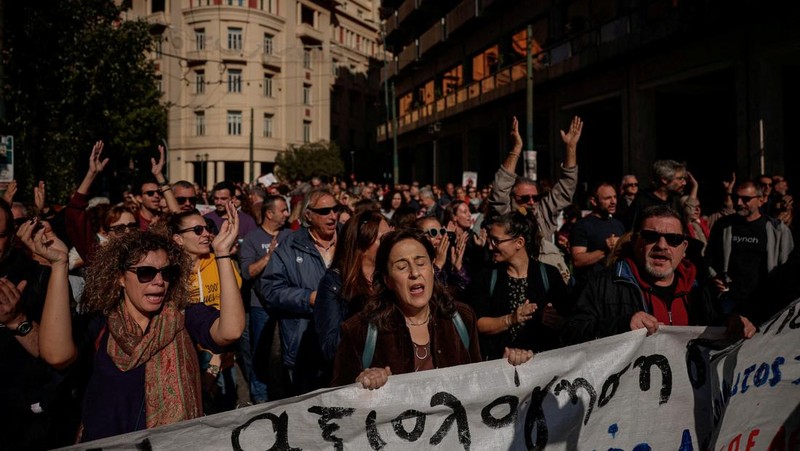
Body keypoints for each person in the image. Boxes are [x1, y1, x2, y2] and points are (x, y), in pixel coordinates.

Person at [21, 215, 244, 442]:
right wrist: (60, 264)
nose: (158, 281)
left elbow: (230, 331)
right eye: (145, 273)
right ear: (120, 278)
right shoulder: (100, 322)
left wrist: (223, 254)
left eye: (166, 273)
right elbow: (56, 355)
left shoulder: (183, 315)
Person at [331, 229, 533, 389]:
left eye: (421, 263)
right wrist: (361, 382)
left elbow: (477, 384)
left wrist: (509, 366)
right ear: (387, 280)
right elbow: (339, 406)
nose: (415, 273)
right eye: (402, 267)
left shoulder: (461, 318)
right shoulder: (360, 330)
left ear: (432, 268)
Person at [562, 205, 755, 345]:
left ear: (684, 248)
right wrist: (621, 325)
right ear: (636, 241)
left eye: (673, 239)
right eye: (651, 237)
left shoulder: (699, 289)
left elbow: (711, 329)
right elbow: (570, 334)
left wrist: (730, 324)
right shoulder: (601, 284)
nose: (662, 246)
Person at [260, 188, 341, 397]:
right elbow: (270, 289)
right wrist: (308, 298)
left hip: (344, 345)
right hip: (303, 347)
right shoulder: (290, 246)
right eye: (324, 211)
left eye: (335, 209)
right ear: (308, 215)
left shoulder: (349, 240)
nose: (332, 216)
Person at [487, 116, 582, 282]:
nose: (531, 202)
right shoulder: (506, 217)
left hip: (548, 284)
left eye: (535, 197)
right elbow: (500, 189)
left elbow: (566, 186)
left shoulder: (542, 213)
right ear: (513, 198)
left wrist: (571, 148)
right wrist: (516, 149)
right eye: (524, 199)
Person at [168, 206, 243, 413]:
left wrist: (214, 365)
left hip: (221, 357)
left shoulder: (221, 263)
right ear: (178, 239)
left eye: (207, 228)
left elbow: (229, 319)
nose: (207, 234)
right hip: (183, 364)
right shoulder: (166, 274)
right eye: (198, 230)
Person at [473, 210, 569, 358]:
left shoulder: (549, 275)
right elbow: (479, 324)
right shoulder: (486, 276)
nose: (491, 247)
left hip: (542, 368)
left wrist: (558, 322)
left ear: (519, 242)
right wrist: (511, 319)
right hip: (500, 366)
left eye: (496, 241)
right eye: (490, 240)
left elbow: (570, 319)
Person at [315, 210, 390, 378]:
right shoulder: (333, 283)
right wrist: (369, 310)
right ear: (361, 246)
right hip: (354, 380)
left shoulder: (389, 279)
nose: (392, 244)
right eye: (383, 239)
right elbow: (330, 348)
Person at [705, 180, 794, 315]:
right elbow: (709, 257)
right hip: (729, 300)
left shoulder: (778, 230)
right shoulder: (723, 226)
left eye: (746, 199)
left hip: (765, 302)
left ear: (761, 200)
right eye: (736, 198)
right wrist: (714, 276)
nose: (739, 203)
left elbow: (788, 267)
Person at [240, 195, 292, 403]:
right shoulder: (252, 239)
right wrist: (270, 256)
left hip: (287, 305)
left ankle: (286, 394)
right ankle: (260, 398)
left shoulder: (291, 235)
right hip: (260, 307)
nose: (287, 214)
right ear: (269, 214)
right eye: (283, 210)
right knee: (260, 354)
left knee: (286, 354)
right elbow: (247, 272)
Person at [570, 183, 625, 283]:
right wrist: (605, 250)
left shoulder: (619, 225)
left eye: (615, 197)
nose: (613, 202)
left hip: (615, 285)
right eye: (608, 198)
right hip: (591, 287)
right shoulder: (582, 225)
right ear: (594, 201)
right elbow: (577, 261)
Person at [624, 159, 687, 230]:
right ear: (664, 179)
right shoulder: (642, 201)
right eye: (680, 179)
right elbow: (630, 230)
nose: (684, 183)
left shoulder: (675, 201)